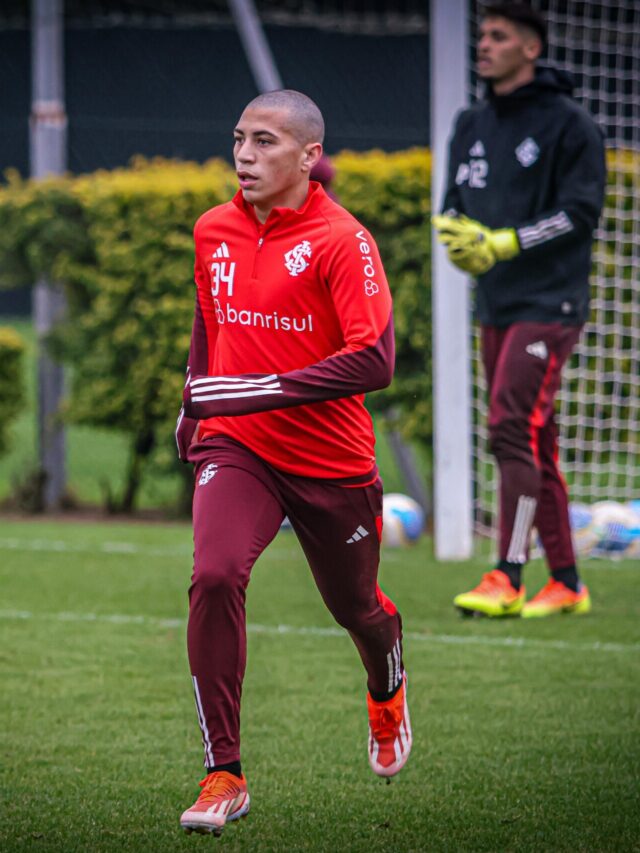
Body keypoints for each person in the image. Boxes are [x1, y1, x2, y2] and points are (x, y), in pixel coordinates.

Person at [175, 89, 411, 836]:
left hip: (330, 460)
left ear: (309, 156)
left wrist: (257, 388)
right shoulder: (211, 229)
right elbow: (209, 324)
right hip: (237, 446)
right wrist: (195, 403)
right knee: (213, 575)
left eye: (265, 141)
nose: (244, 154)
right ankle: (224, 771)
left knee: (358, 610)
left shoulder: (345, 240)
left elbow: (374, 360)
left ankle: (386, 680)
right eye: (239, 138)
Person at [433, 3, 605, 619]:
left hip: (551, 302)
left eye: (498, 36)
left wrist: (508, 241)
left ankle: (507, 574)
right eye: (481, 34)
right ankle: (566, 582)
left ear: (530, 48)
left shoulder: (571, 125)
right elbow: (453, 203)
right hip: (496, 301)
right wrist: (459, 239)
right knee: (536, 436)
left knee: (509, 424)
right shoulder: (470, 122)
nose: (484, 45)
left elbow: (580, 213)